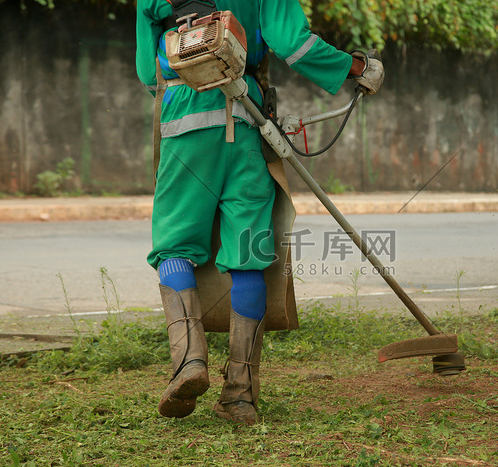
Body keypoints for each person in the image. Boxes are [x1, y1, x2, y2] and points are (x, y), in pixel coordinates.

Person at [135, 0, 383, 425]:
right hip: (245, 119)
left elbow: (146, 72)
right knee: (247, 252)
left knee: (173, 246)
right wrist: (356, 67)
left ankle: (189, 360)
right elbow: (294, 44)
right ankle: (240, 396)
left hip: (184, 121)